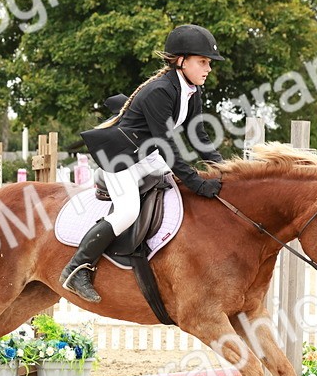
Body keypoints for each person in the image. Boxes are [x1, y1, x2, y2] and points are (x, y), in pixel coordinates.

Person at [62, 24, 225, 303]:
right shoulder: (160, 91)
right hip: (123, 159)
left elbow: (198, 134)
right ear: (182, 61)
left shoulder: (192, 91)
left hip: (148, 157)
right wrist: (196, 181)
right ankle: (76, 268)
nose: (208, 68)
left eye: (209, 63)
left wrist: (223, 168)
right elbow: (166, 144)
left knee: (177, 194)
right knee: (127, 211)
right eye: (203, 62)